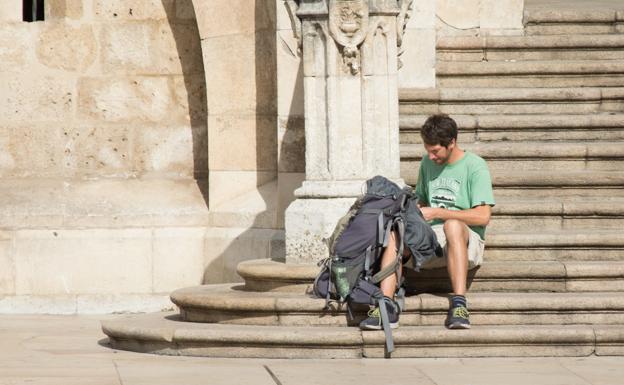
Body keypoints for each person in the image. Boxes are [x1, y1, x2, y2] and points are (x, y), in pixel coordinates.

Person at [359, 114, 495, 331]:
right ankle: (387, 305)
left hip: (465, 240)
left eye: (435, 151)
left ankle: (459, 304)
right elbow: (421, 199)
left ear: (451, 143)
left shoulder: (475, 166)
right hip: (429, 238)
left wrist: (441, 213)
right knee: (397, 231)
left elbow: (483, 216)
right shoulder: (427, 163)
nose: (431, 156)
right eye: (428, 150)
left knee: (452, 225)